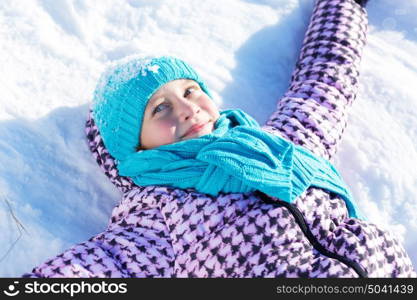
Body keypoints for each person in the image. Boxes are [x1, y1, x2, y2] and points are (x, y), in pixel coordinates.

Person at [23, 0, 416, 277]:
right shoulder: (159, 217)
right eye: (159, 108)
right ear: (135, 146)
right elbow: (88, 271)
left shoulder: (281, 145)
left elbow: (326, 77)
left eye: (190, 91)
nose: (187, 109)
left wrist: (342, 5)